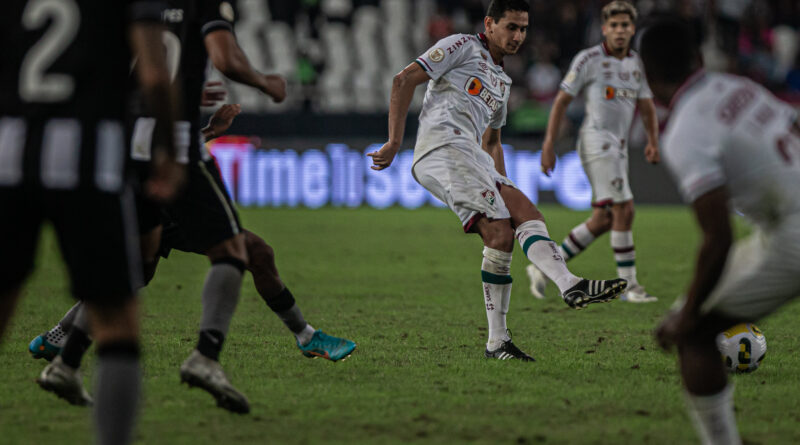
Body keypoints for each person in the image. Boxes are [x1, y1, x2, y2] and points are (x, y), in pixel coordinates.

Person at [32, 0, 355, 414]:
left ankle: (65, 351)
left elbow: (129, 77)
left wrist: (202, 122)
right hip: (172, 152)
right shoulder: (202, 4)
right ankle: (229, 352)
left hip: (128, 151)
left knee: (139, 265)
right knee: (242, 250)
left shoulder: (140, 9)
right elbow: (223, 57)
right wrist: (264, 82)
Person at [367, 0, 627, 362]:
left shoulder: (502, 81)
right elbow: (404, 78)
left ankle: (564, 288)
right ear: (489, 24)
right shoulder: (461, 46)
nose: (518, 36)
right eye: (511, 27)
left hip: (472, 154)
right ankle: (504, 336)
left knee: (527, 213)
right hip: (442, 147)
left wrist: (502, 182)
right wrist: (395, 141)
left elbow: (491, 142)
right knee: (500, 232)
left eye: (523, 29)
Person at [0, 1, 181, 444]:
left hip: (7, 155)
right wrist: (167, 148)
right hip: (91, 161)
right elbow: (155, 75)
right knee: (116, 319)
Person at [641, 18, 800, 445]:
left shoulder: (685, 131)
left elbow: (718, 238)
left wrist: (690, 312)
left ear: (648, 80)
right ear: (696, 58)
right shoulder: (736, 86)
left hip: (794, 232)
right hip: (781, 224)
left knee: (693, 334)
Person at [530, 1, 660, 303]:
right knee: (625, 210)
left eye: (625, 25)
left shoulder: (636, 63)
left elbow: (647, 106)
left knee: (603, 219)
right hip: (596, 142)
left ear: (632, 29)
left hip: (620, 147)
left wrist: (652, 140)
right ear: (604, 29)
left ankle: (545, 267)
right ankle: (630, 286)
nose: (619, 31)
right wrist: (549, 143)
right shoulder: (588, 59)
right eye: (613, 26)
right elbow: (561, 100)